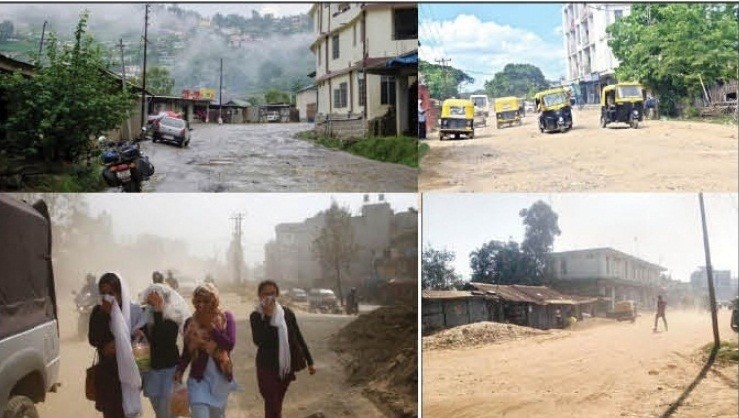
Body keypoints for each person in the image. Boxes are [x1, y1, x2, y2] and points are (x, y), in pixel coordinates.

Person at [251, 280, 316, 418]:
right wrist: (268, 317)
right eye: (265, 294)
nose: (269, 297)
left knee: (277, 403)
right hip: (266, 366)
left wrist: (310, 361)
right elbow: (259, 340)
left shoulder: (287, 313)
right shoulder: (256, 316)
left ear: (277, 295)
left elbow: (298, 337)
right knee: (272, 401)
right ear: (259, 295)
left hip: (285, 367)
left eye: (272, 293)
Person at [88, 272, 147, 418]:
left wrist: (132, 341)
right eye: (103, 293)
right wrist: (104, 314)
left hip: (129, 375)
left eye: (111, 293)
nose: (107, 297)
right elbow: (93, 339)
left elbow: (144, 344)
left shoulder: (135, 312)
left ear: (120, 293)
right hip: (108, 376)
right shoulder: (98, 312)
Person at [175, 283, 238, 418]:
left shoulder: (226, 318)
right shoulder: (190, 323)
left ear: (214, 301)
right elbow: (187, 352)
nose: (201, 305)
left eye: (206, 301)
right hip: (198, 380)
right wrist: (180, 370)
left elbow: (229, 344)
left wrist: (211, 327)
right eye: (198, 301)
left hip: (220, 379)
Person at [139, 283, 190, 418]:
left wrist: (158, 312)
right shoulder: (144, 318)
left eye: (157, 300)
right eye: (150, 301)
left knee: (167, 414)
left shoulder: (172, 319)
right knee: (161, 413)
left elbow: (161, 340)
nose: (152, 304)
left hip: (169, 373)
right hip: (151, 374)